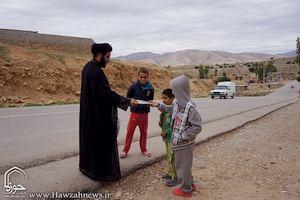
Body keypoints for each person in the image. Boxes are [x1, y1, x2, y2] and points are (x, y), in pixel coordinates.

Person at [79, 43, 138, 181]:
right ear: (99, 55)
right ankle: (101, 172)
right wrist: (127, 101)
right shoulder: (96, 71)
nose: (108, 60)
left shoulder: (87, 67)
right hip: (98, 114)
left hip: (91, 111)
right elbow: (106, 94)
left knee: (92, 140)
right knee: (102, 140)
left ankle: (89, 168)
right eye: (107, 57)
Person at [150, 75, 202, 197]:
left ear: (180, 90)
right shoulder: (177, 104)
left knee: (182, 167)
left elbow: (197, 127)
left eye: (174, 89)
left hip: (185, 143)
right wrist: (158, 105)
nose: (172, 92)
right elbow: (168, 109)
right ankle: (190, 184)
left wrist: (183, 135)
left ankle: (185, 190)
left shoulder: (190, 108)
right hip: (178, 143)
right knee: (184, 166)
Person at [120, 68, 154, 158]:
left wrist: (151, 103)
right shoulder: (133, 86)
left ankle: (143, 149)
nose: (143, 79)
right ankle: (125, 150)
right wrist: (131, 101)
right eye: (141, 77)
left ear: (148, 77)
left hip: (144, 113)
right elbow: (128, 99)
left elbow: (151, 99)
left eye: (145, 77)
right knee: (130, 132)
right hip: (134, 113)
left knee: (144, 132)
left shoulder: (150, 88)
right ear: (138, 76)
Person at [159, 88, 178, 187]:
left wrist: (166, 131)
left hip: (171, 137)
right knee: (169, 157)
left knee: (173, 157)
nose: (163, 100)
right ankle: (170, 173)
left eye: (165, 98)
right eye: (162, 98)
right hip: (166, 138)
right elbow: (165, 121)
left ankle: (175, 177)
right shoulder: (165, 109)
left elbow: (174, 125)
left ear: (172, 98)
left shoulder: (172, 110)